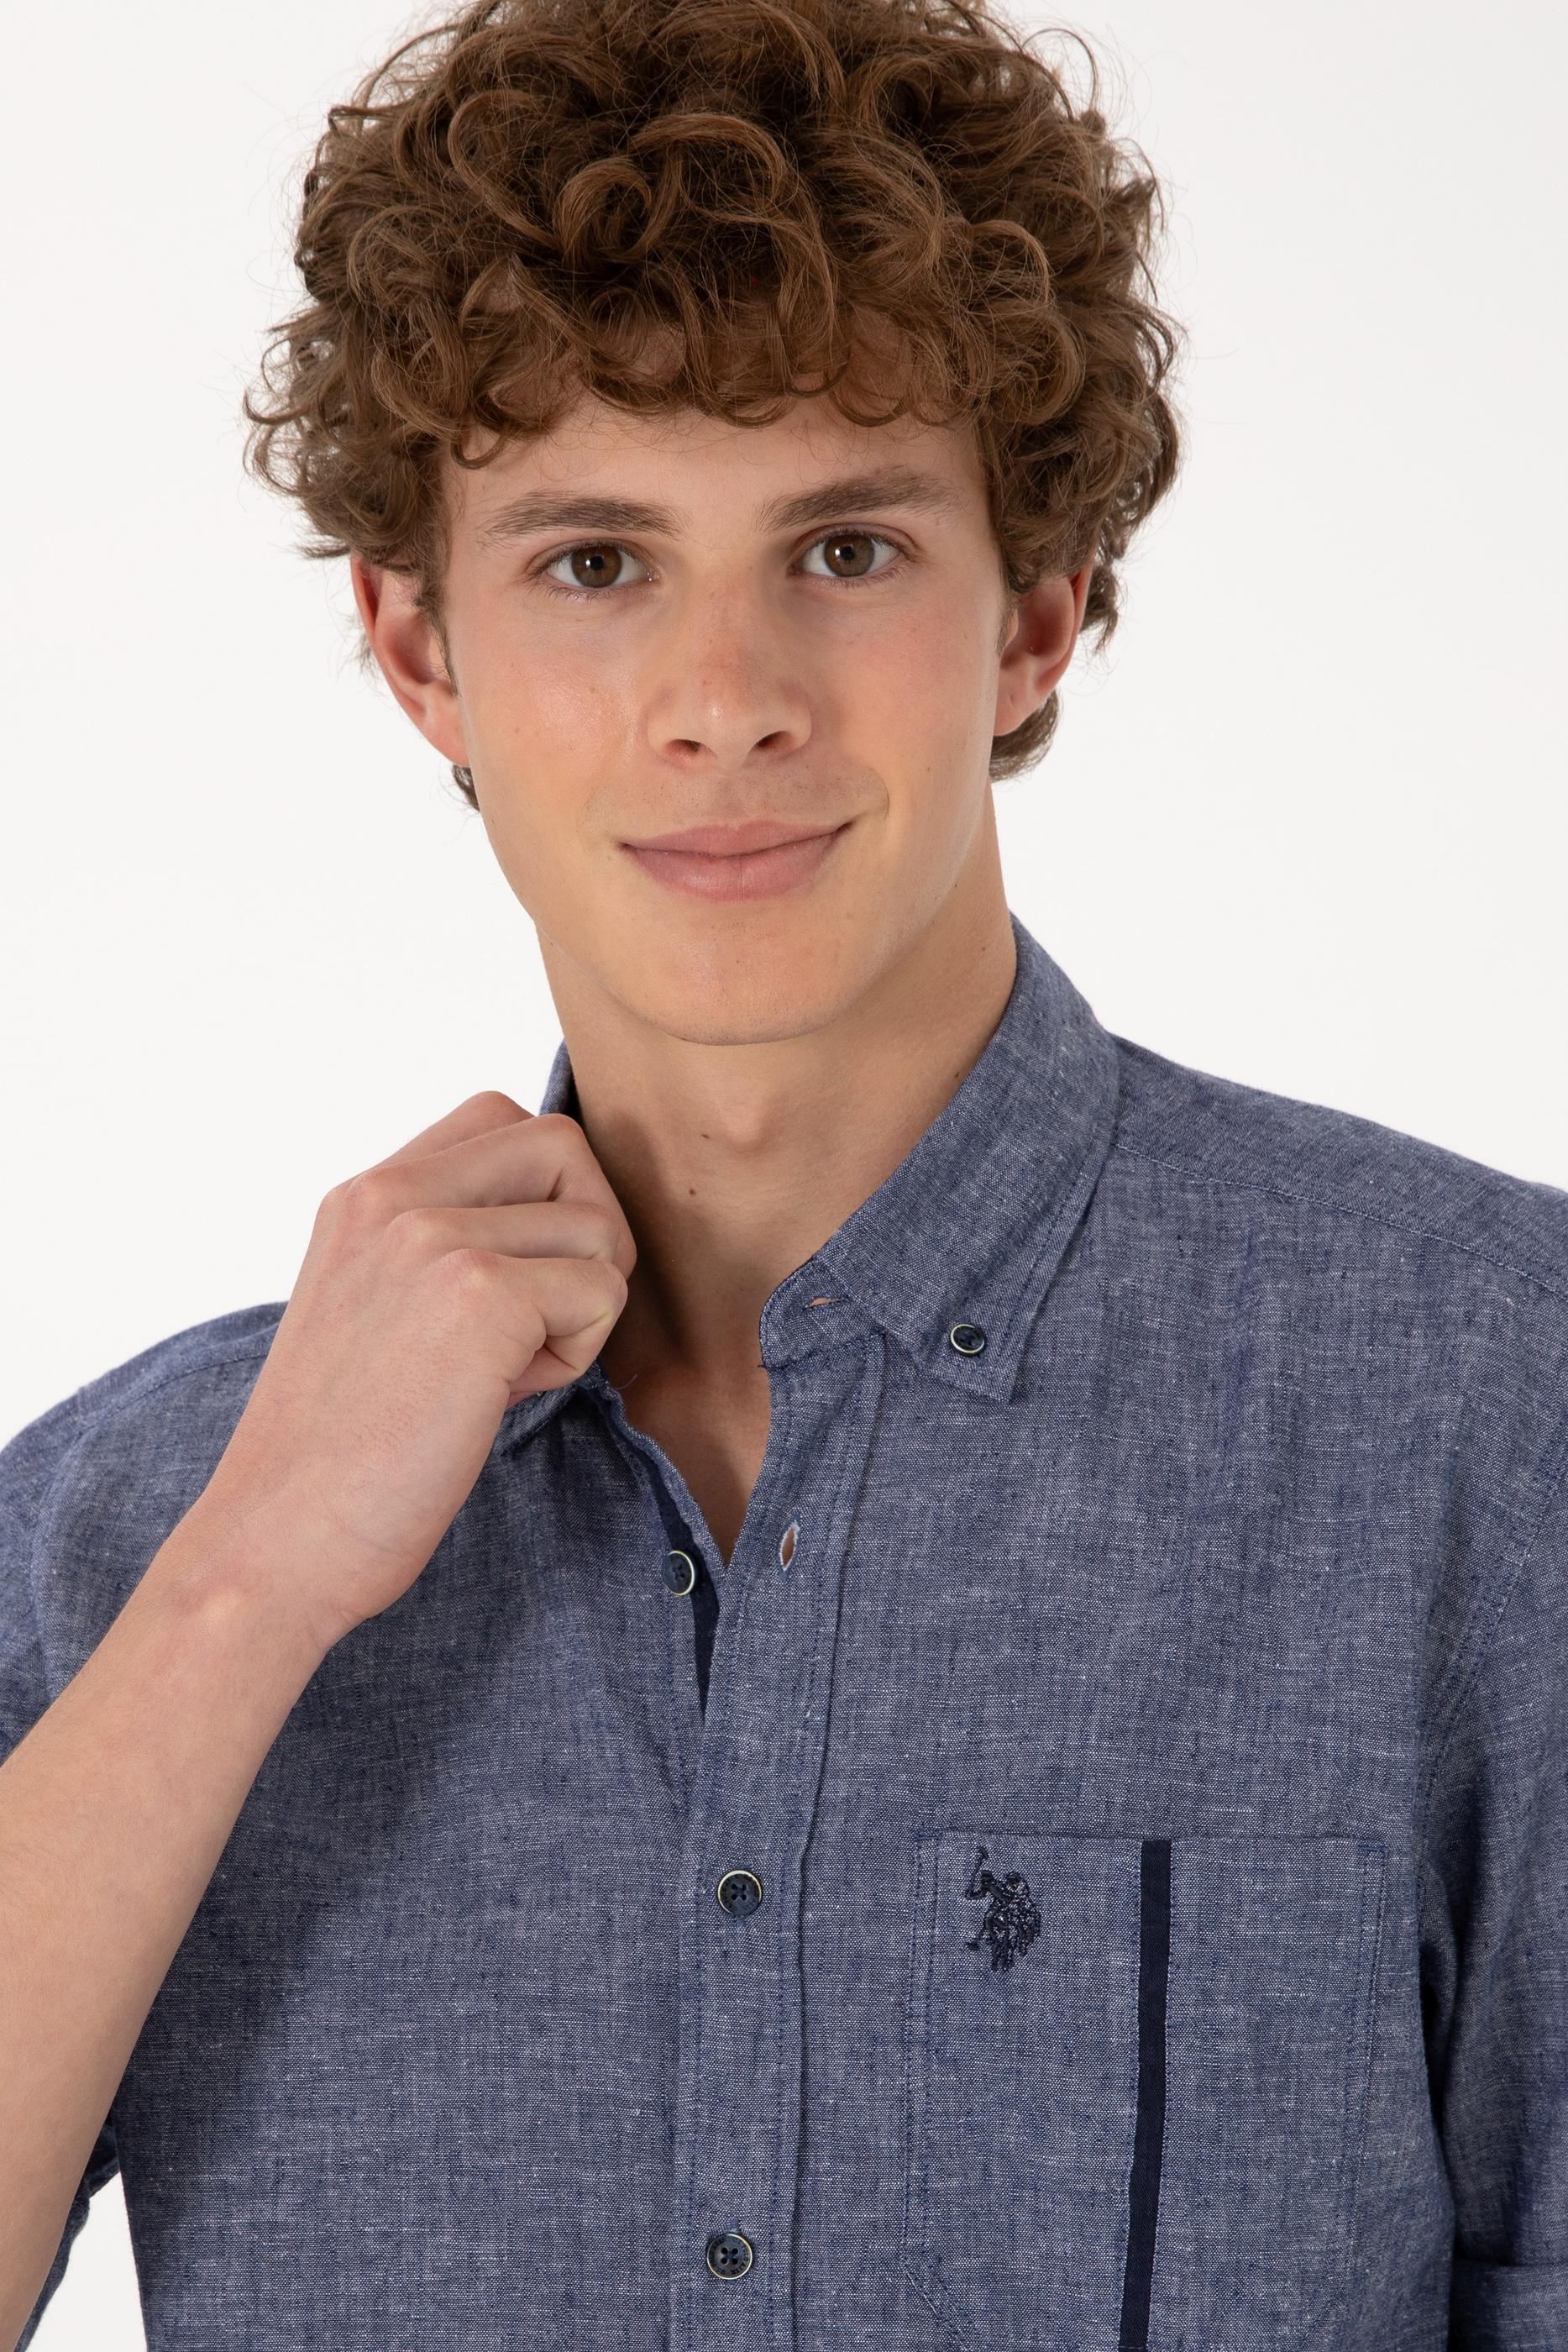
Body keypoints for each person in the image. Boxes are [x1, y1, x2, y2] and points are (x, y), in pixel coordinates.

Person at [1, 0, 1563, 2343]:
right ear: (417, 652)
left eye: (842, 545)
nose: (724, 695)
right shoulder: (148, 1530)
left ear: (1031, 616)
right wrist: (240, 1594)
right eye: (592, 562)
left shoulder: (1490, 1407)